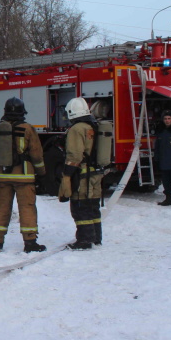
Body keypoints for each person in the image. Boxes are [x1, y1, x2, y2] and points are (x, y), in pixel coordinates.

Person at [0, 97, 47, 253]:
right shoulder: (28, 129)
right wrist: (41, 174)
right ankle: (30, 242)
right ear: (22, 112)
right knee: (27, 208)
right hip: (24, 178)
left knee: (2, 209)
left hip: (2, 177)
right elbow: (37, 155)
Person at [58, 97, 103, 250]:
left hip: (82, 175)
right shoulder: (94, 126)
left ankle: (84, 240)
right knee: (93, 206)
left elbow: (74, 155)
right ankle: (96, 237)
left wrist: (67, 174)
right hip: (95, 174)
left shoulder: (76, 129)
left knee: (80, 206)